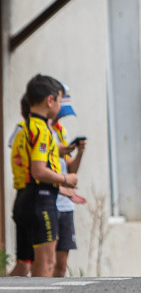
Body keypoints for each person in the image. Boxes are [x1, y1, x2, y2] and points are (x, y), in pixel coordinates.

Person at [10, 75, 77, 278]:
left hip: (24, 198)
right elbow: (38, 170)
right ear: (50, 101)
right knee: (46, 264)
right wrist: (65, 180)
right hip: (41, 201)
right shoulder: (42, 130)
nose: (60, 105)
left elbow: (43, 152)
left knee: (24, 266)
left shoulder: (25, 128)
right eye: (59, 99)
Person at [51, 88, 87, 277]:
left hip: (65, 204)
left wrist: (79, 151)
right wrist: (61, 185)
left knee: (61, 263)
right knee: (47, 261)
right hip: (49, 200)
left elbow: (70, 168)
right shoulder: (41, 131)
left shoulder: (60, 131)